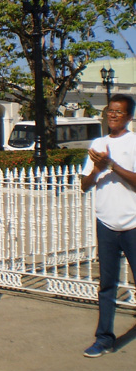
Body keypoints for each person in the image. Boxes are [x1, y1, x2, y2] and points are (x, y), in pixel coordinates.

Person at [80, 93, 136, 358]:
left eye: (119, 112)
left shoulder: (134, 142)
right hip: (106, 222)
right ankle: (104, 338)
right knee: (107, 284)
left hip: (133, 223)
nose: (112, 115)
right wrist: (97, 169)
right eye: (109, 111)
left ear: (129, 117)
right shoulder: (98, 144)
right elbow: (84, 184)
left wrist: (112, 165)